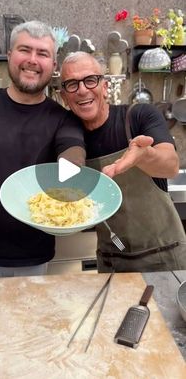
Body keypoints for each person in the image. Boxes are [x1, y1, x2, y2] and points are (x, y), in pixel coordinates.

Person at [0, 21, 86, 280]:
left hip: (34, 261)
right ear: (9, 56)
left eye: (43, 53)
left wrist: (71, 171)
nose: (33, 60)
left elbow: (72, 149)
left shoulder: (62, 119)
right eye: (25, 50)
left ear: (53, 66)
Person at [60, 51, 186, 272]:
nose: (82, 90)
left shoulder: (138, 116)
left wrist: (145, 156)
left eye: (90, 80)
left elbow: (171, 165)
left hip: (165, 256)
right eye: (72, 84)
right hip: (111, 260)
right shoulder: (70, 140)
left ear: (105, 87)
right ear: (64, 97)